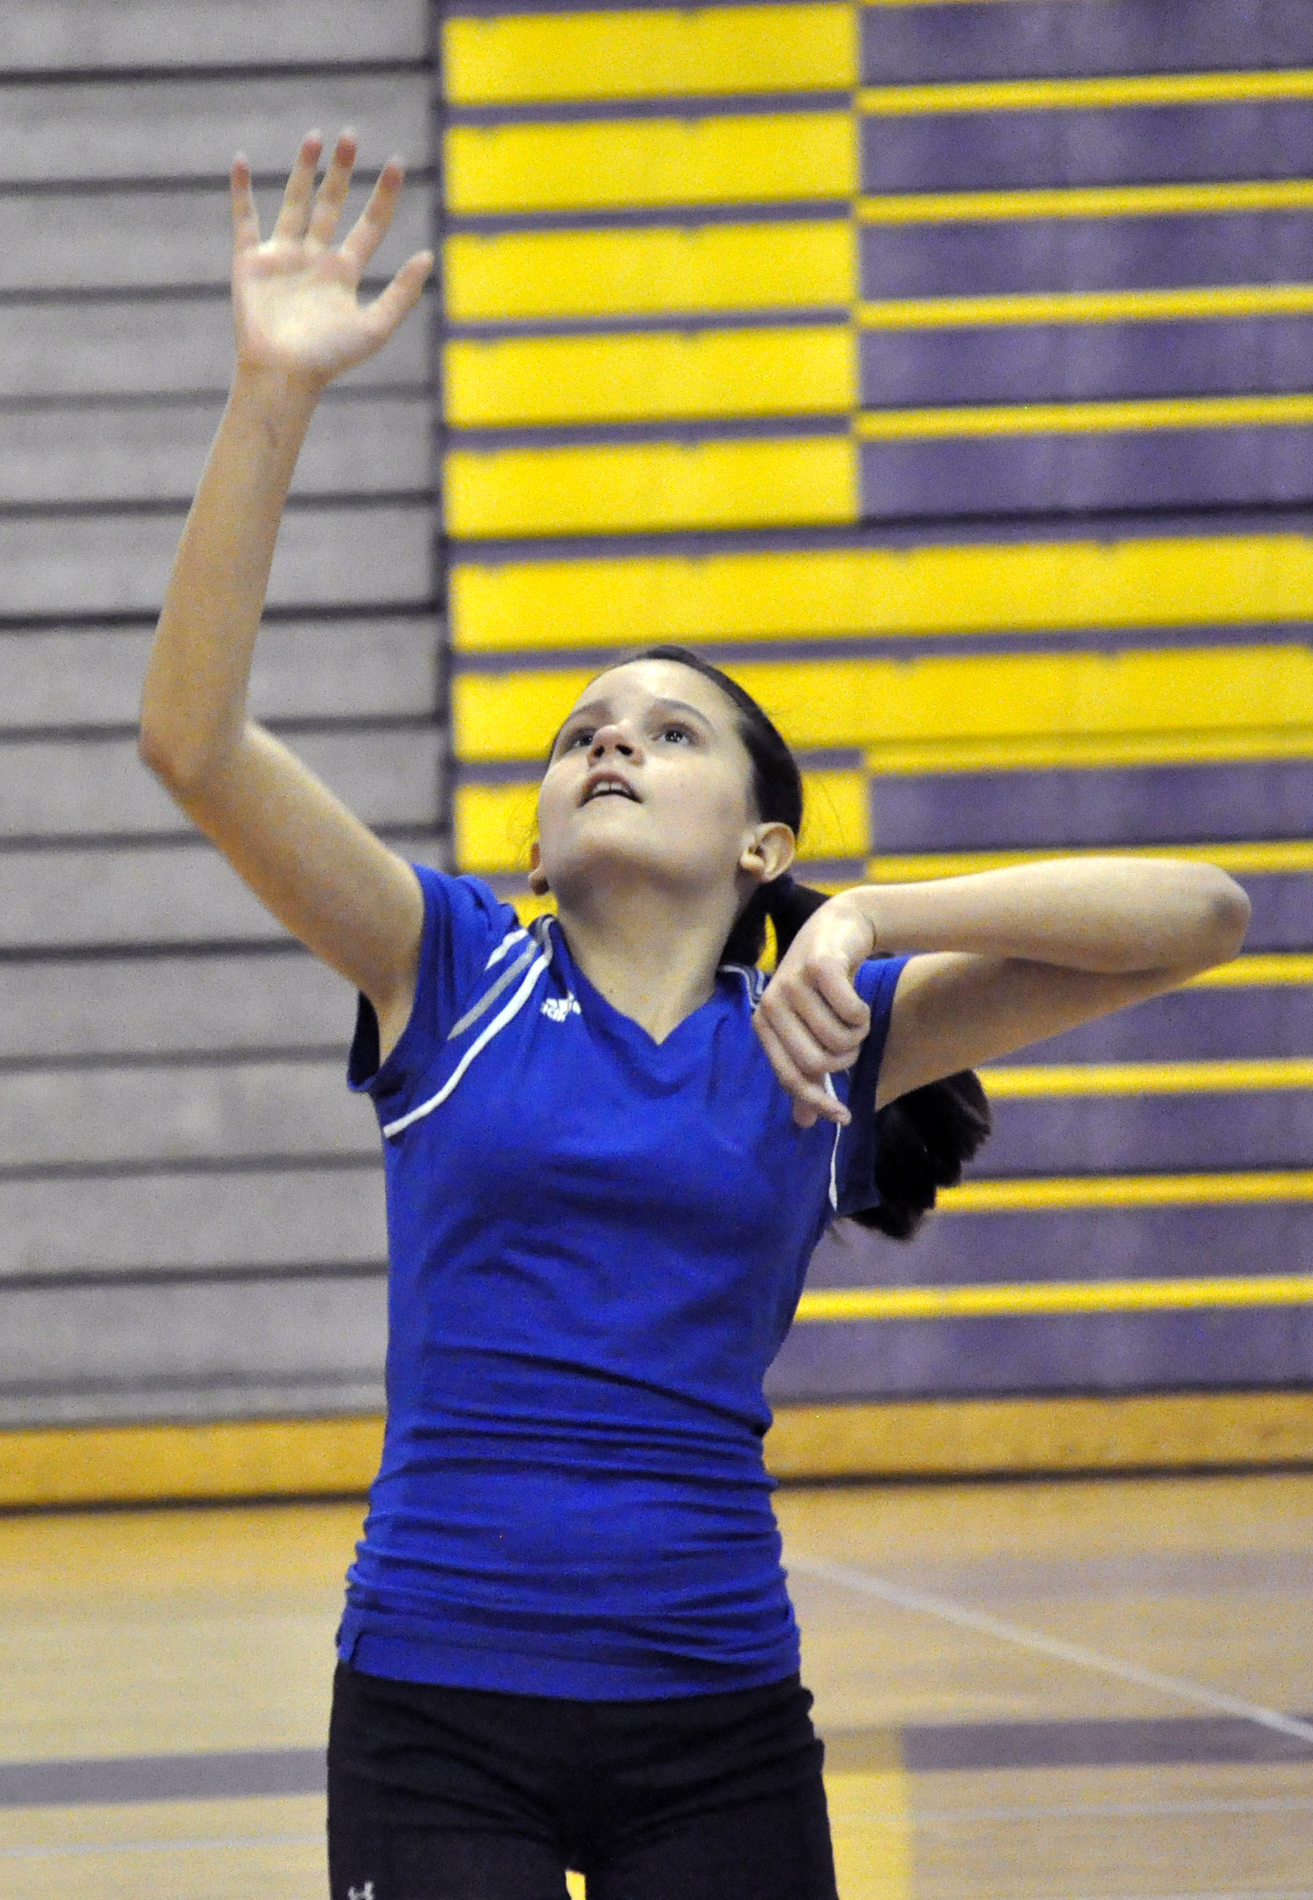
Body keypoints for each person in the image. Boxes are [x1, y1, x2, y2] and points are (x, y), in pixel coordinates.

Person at [139, 132, 1251, 1900]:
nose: (607, 742)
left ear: (758, 841)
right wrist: (274, 387)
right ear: (534, 832)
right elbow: (192, 748)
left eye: (663, 730)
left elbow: (1204, 917)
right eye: (583, 727)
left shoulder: (820, 1038)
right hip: (436, 1707)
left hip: (716, 1716)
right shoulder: (449, 970)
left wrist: (872, 915)